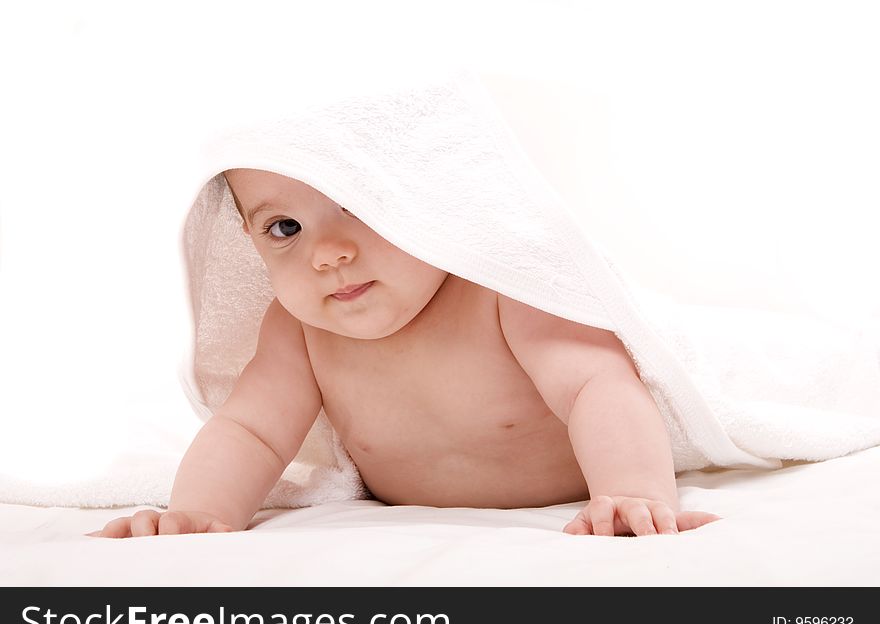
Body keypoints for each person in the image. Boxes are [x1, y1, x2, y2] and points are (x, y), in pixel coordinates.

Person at [92, 168, 720, 539]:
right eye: (285, 228)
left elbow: (599, 386)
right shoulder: (300, 327)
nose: (329, 253)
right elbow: (250, 430)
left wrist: (631, 495)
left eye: (360, 207)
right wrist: (200, 515)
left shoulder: (504, 289)